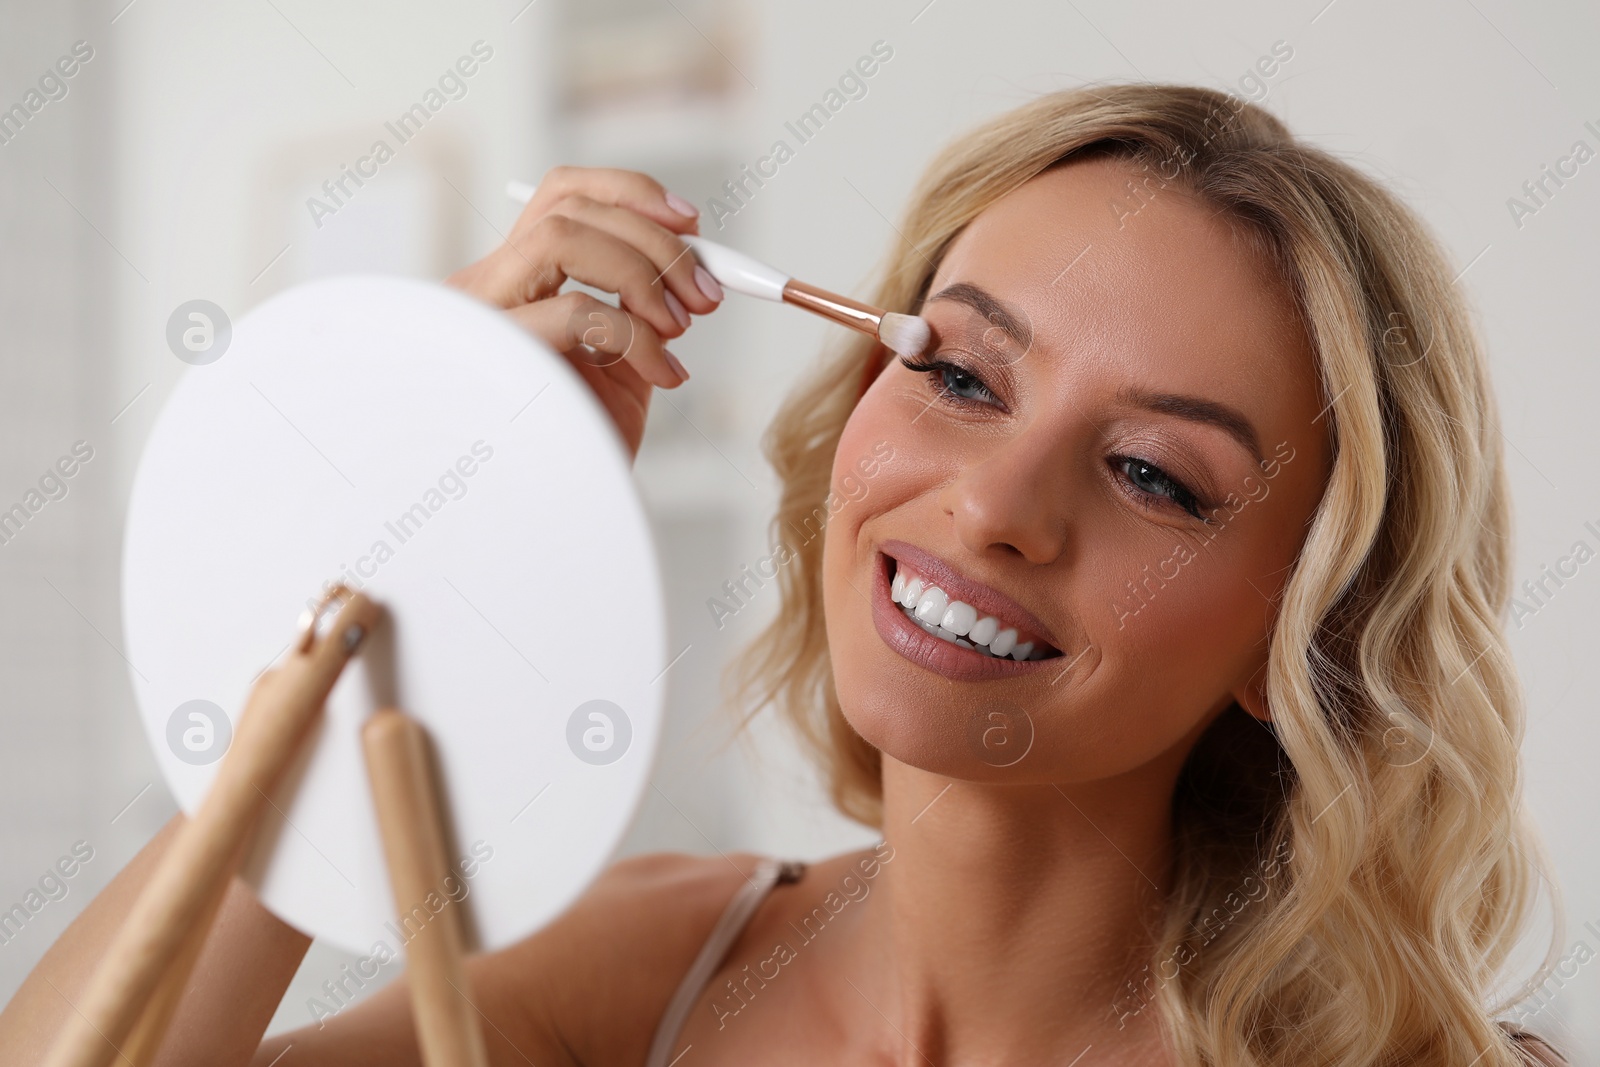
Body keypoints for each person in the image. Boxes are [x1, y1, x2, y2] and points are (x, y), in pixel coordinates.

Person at [0, 83, 1571, 1066]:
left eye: (1157, 474)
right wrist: (429, 525)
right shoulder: (634, 981)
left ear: (1297, 632)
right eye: (960, 376)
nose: (995, 507)